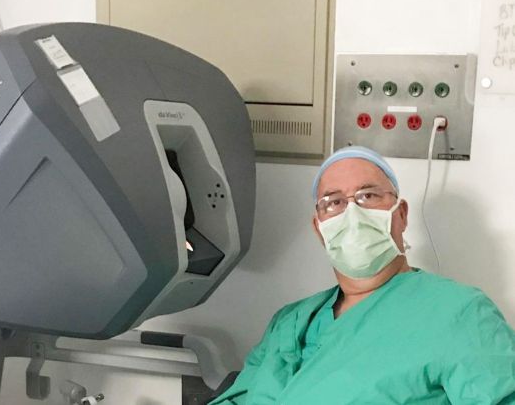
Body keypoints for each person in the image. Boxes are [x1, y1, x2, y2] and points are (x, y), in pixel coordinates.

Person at [209, 146, 515, 404]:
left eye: (368, 196)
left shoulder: (459, 313)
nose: (352, 213)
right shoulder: (289, 322)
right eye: (334, 202)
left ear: (401, 214)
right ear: (319, 228)